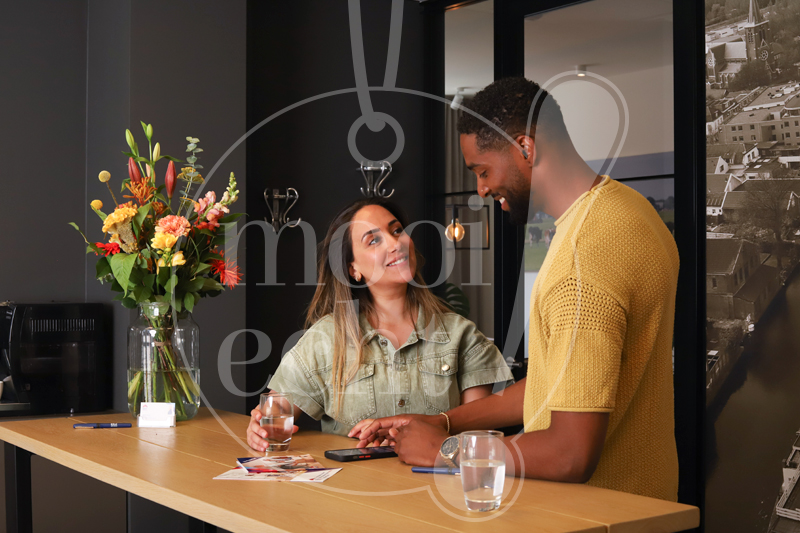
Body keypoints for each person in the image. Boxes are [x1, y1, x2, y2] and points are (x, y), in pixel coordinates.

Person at [352, 77, 680, 502]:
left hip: (599, 515)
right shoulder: (631, 211)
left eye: (483, 171)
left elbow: (569, 454)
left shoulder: (583, 259)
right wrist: (445, 423)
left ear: (526, 148)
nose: (482, 190)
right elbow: (554, 383)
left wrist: (447, 451)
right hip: (649, 502)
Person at [246, 198, 513, 452]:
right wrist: (260, 426)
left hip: (436, 489)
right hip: (351, 494)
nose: (395, 243)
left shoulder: (461, 335)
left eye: (397, 231)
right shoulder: (325, 339)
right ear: (353, 269)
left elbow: (478, 438)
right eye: (374, 240)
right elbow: (276, 412)